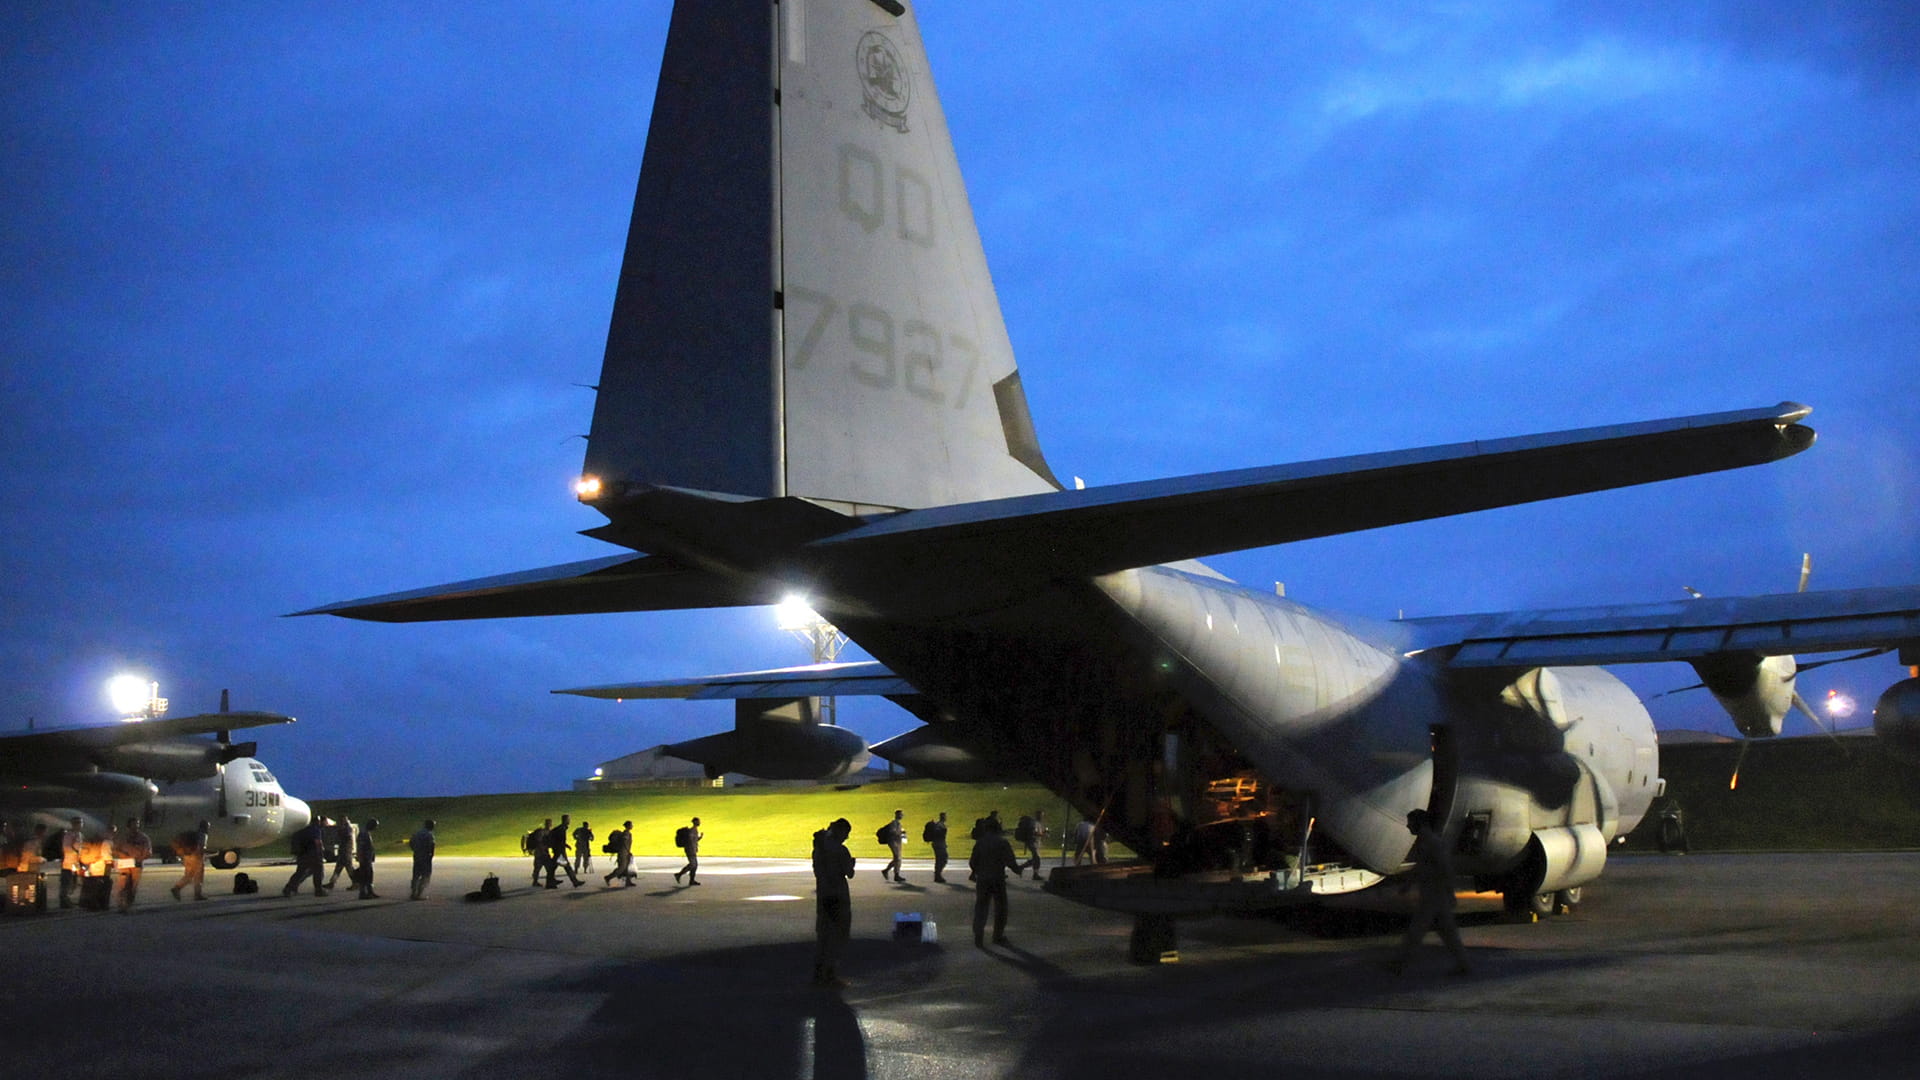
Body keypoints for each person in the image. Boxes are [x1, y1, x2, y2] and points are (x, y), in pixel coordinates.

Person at [1388, 809, 1470, 975]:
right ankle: (1463, 965)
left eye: (1411, 822)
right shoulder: (1426, 841)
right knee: (1448, 933)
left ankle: (1399, 964)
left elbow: (1444, 867)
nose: (1408, 825)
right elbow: (1422, 867)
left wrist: (1450, 892)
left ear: (1419, 823)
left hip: (1434, 894)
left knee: (1416, 930)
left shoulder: (1430, 842)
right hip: (1434, 893)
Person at [811, 818, 856, 989]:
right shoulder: (840, 850)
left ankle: (819, 973)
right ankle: (830, 974)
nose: (846, 837)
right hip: (838, 895)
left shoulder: (819, 848)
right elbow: (849, 873)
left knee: (824, 934)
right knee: (838, 935)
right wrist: (851, 864)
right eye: (846, 833)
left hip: (823, 895)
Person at [969, 816, 1020, 947]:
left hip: (983, 879)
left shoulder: (980, 842)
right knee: (1001, 908)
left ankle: (978, 936)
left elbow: (973, 861)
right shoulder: (1002, 842)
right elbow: (1010, 861)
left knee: (981, 907)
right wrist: (1018, 869)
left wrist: (976, 871)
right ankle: (997, 935)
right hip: (997, 879)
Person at [114, 817, 153, 913]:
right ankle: (121, 904)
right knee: (123, 884)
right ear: (129, 825)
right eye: (134, 824)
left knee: (134, 885)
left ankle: (129, 903)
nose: (136, 826)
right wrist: (121, 854)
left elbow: (148, 852)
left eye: (137, 824)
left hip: (137, 864)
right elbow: (115, 849)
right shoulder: (122, 837)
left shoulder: (143, 838)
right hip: (125, 864)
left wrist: (141, 858)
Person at [282, 816, 328, 897]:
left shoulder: (305, 829)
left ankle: (289, 888)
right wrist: (321, 853)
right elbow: (317, 842)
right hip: (314, 855)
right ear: (318, 822)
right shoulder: (316, 829)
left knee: (300, 872)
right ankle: (319, 890)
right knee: (318, 872)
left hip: (303, 855)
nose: (325, 823)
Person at [171, 820, 210, 901]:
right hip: (196, 857)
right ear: (206, 827)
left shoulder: (194, 834)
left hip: (187, 856)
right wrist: (203, 856)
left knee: (189, 875)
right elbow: (201, 847)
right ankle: (197, 894)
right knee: (198, 877)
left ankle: (177, 887)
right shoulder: (203, 835)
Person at [546, 813, 583, 888]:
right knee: (566, 867)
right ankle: (574, 882)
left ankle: (550, 882)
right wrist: (563, 849)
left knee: (553, 867)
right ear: (565, 820)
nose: (569, 821)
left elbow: (559, 841)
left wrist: (565, 845)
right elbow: (560, 841)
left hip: (558, 852)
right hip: (560, 853)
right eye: (568, 819)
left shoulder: (561, 828)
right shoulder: (562, 829)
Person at [59, 815, 84, 909]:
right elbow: (67, 848)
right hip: (69, 862)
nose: (80, 825)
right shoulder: (69, 835)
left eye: (81, 823)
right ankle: (64, 901)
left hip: (77, 862)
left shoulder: (80, 835)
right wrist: (76, 852)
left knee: (74, 883)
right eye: (78, 823)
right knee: (66, 882)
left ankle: (67, 899)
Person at [968, 810, 1000, 882]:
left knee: (979, 860)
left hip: (980, 845)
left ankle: (974, 874)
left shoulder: (982, 826)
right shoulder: (984, 828)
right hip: (984, 846)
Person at [409, 819, 436, 900]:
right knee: (425, 875)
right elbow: (431, 846)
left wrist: (414, 849)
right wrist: (431, 855)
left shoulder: (417, 833)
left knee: (416, 875)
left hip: (417, 855)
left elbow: (411, 842)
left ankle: (413, 893)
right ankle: (419, 894)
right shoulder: (429, 835)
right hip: (425, 856)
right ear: (430, 826)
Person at [325, 816, 355, 889]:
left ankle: (356, 882)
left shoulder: (347, 829)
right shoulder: (346, 828)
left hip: (346, 852)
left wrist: (339, 829)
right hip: (343, 852)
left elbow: (344, 836)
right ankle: (332, 882)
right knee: (338, 868)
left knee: (349, 868)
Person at [1014, 810, 1045, 878]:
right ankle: (1035, 875)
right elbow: (1034, 832)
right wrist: (1043, 834)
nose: (1042, 817)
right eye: (1041, 815)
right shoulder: (1034, 823)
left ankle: (1021, 867)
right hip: (1032, 843)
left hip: (1035, 843)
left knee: (1035, 858)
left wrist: (1042, 834)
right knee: (1037, 858)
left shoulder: (1037, 823)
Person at [604, 820, 635, 887]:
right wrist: (628, 852)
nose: (632, 826)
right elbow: (624, 844)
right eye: (631, 825)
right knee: (621, 868)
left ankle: (628, 882)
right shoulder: (626, 834)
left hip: (625, 852)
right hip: (623, 853)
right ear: (628, 826)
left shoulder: (627, 833)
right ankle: (608, 877)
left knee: (626, 868)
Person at [355, 818, 380, 899]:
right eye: (375, 826)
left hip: (368, 858)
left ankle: (370, 891)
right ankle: (363, 893)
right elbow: (360, 847)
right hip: (365, 858)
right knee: (364, 876)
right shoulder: (363, 833)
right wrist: (360, 857)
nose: (376, 828)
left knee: (369, 875)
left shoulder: (367, 833)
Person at [880, 809, 906, 883]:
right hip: (893, 842)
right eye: (900, 814)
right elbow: (893, 832)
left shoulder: (898, 823)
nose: (901, 816)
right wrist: (900, 833)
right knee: (897, 858)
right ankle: (895, 874)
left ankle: (889, 872)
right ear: (897, 815)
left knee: (898, 859)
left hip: (897, 842)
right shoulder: (894, 823)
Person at [674, 817, 702, 886]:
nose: (699, 822)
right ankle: (679, 874)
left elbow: (694, 840)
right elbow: (690, 840)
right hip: (690, 850)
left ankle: (691, 880)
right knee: (693, 864)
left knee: (695, 865)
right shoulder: (692, 831)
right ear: (695, 822)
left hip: (693, 849)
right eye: (698, 821)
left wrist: (700, 838)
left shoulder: (695, 830)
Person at [924, 812, 950, 883]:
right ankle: (937, 875)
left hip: (940, 844)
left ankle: (938, 874)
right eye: (944, 816)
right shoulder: (939, 825)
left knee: (941, 859)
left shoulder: (941, 825)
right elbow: (938, 835)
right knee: (941, 859)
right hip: (939, 844)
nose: (945, 818)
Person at [528, 819, 552, 885]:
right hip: (541, 853)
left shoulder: (548, 832)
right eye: (549, 823)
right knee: (546, 867)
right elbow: (539, 842)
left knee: (539, 868)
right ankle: (548, 882)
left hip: (541, 852)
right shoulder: (542, 832)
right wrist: (543, 849)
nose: (550, 825)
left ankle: (535, 881)